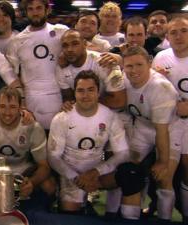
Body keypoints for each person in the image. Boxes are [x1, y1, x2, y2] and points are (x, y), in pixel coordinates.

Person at [47, 70, 140, 219]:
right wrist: (76, 178)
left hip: (98, 174)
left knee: (132, 174)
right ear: (74, 93)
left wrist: (96, 172)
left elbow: (123, 153)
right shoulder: (62, 119)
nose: (86, 95)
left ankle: (124, 218)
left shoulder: (110, 116)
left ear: (98, 93)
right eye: (80, 91)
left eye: (91, 90)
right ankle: (79, 202)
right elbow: (53, 157)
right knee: (71, 217)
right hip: (71, 173)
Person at [0, 87, 55, 199]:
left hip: (23, 170)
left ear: (20, 107)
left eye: (13, 107)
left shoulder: (33, 127)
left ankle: (47, 210)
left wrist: (32, 182)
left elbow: (44, 166)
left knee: (50, 185)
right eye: (3, 106)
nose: (7, 113)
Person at [124, 46, 179, 221]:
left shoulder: (160, 87)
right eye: (129, 66)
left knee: (163, 177)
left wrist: (163, 161)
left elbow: (161, 131)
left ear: (149, 63)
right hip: (142, 125)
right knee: (130, 170)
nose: (134, 70)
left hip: (170, 129)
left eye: (139, 64)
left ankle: (164, 219)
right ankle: (130, 216)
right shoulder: (122, 79)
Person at [6, 0, 68, 130]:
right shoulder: (17, 41)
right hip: (30, 101)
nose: (35, 12)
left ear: (47, 10)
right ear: (26, 12)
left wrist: (115, 55)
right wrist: (20, 103)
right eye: (31, 9)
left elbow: (84, 48)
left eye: (39, 8)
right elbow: (13, 76)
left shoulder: (62, 32)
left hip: (59, 98)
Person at [152, 16, 188, 222]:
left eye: (183, 30)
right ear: (167, 37)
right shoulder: (161, 58)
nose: (179, 36)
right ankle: (164, 219)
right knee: (164, 174)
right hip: (170, 124)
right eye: (173, 32)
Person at [56, 29, 125, 111]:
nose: (69, 49)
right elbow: (69, 98)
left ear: (85, 44)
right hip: (84, 112)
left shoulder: (104, 62)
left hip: (112, 112)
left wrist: (86, 101)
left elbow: (119, 101)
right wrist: (67, 104)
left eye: (75, 44)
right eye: (65, 45)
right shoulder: (61, 68)